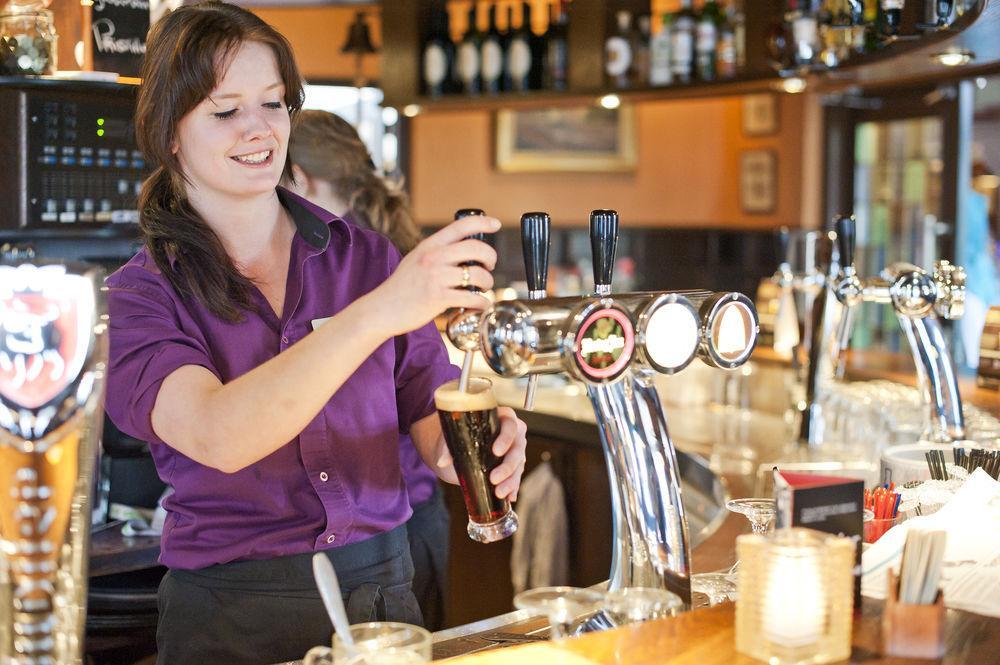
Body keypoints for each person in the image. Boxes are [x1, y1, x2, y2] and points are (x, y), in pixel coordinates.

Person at [103, 3, 528, 664]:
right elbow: (218, 432)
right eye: (226, 110)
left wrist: (467, 449)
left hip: (382, 602)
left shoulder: (364, 257)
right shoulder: (142, 294)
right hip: (232, 618)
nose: (260, 129)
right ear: (171, 131)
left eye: (274, 104)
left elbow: (426, 404)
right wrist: (375, 314)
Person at [285, 109, 452, 631]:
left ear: (300, 179)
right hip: (416, 511)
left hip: (388, 525)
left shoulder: (361, 263)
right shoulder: (398, 250)